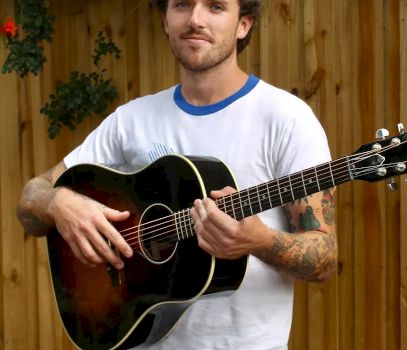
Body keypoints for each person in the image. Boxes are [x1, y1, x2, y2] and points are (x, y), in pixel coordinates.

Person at [16, 0, 337, 349]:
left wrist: (257, 240)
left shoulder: (287, 120)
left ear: (243, 24)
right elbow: (31, 199)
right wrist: (58, 202)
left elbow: (323, 257)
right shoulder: (132, 120)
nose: (195, 19)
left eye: (215, 7)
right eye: (182, 4)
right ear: (166, 21)